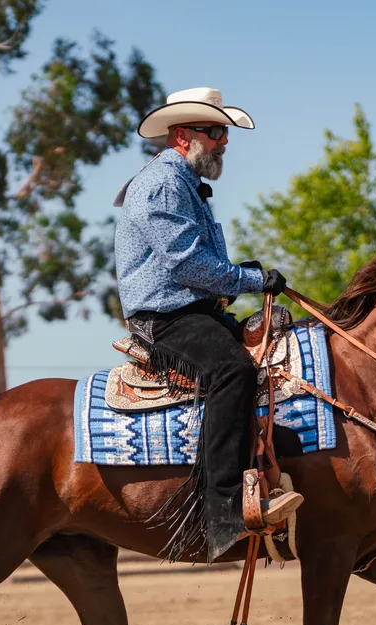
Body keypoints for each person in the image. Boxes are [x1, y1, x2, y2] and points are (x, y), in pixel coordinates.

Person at [113, 87, 303, 562]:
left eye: (224, 132)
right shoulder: (161, 185)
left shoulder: (184, 185)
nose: (224, 142)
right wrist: (252, 278)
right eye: (215, 131)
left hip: (192, 309)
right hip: (166, 316)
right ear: (182, 136)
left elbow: (199, 265)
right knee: (233, 372)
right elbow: (187, 265)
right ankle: (222, 513)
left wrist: (241, 274)